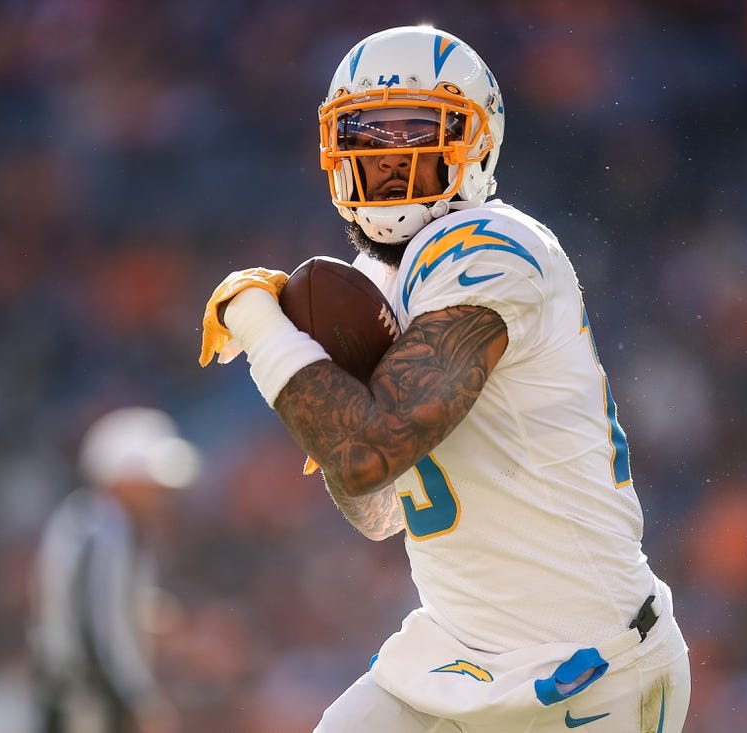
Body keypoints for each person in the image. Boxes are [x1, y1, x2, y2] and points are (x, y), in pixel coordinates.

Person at [198, 25, 691, 732]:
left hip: (588, 661)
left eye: (416, 130)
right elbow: (377, 508)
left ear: (475, 142)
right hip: (455, 651)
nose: (390, 156)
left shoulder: (496, 247)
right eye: (367, 133)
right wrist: (326, 384)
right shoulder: (376, 281)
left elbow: (366, 452)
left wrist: (258, 324)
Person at [29, 407, 199, 733]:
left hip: (85, 694)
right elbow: (94, 625)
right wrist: (136, 698)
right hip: (88, 699)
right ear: (121, 480)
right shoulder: (99, 527)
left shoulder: (103, 526)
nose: (160, 495)